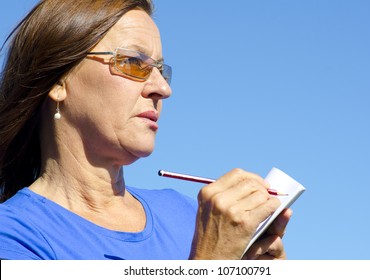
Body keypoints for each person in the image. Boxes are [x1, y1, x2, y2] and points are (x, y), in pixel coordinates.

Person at [0, 0, 292, 260]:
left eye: (161, 70)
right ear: (58, 80)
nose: (163, 88)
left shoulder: (191, 216)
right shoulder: (14, 237)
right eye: (133, 63)